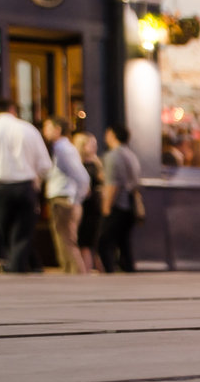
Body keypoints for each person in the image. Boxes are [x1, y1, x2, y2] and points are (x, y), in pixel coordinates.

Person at [0, 106, 51, 273]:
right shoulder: (28, 129)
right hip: (25, 185)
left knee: (4, 230)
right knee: (22, 232)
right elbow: (45, 165)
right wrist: (36, 182)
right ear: (13, 110)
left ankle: (15, 267)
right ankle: (18, 266)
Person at [41, 117, 90, 275]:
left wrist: (75, 200)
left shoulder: (63, 149)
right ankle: (71, 275)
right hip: (64, 197)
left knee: (66, 241)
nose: (44, 131)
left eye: (47, 127)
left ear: (57, 130)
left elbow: (81, 176)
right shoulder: (59, 148)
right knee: (63, 241)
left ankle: (76, 276)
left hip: (63, 198)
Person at [98, 124, 143, 274]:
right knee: (124, 243)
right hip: (130, 204)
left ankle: (110, 273)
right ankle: (129, 272)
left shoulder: (113, 156)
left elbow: (113, 184)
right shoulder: (131, 155)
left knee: (103, 242)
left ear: (112, 135)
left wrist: (106, 207)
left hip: (118, 204)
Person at [73, 131, 105, 273]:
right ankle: (88, 269)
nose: (94, 147)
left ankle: (86, 271)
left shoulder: (96, 164)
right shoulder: (78, 164)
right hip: (82, 205)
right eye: (90, 144)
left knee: (88, 242)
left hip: (92, 207)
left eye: (95, 144)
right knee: (84, 241)